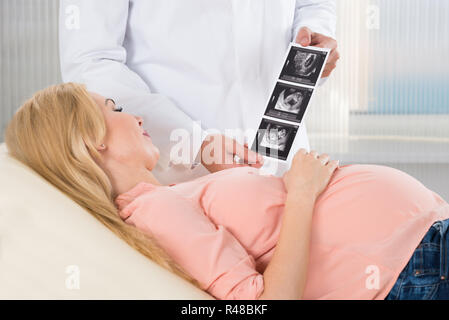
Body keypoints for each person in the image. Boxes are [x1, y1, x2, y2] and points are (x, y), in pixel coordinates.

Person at [5, 83, 449, 300]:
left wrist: (226, 176)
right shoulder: (150, 213)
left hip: (424, 248)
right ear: (91, 138)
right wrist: (300, 193)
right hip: (416, 266)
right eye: (115, 108)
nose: (135, 116)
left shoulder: (167, 197)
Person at [59, 0, 340, 184]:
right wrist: (195, 143)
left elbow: (313, 5)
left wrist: (313, 42)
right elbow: (92, 63)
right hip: (181, 169)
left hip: (284, 155)